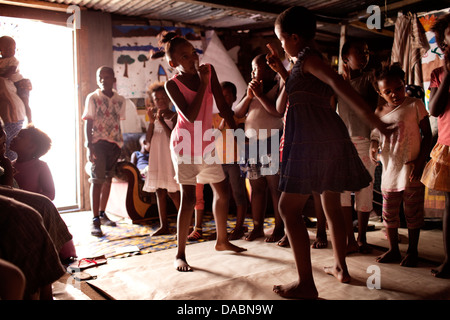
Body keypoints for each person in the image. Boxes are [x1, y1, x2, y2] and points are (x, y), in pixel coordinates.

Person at [267, 6, 393, 299]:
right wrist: (281, 71)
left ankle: (306, 284)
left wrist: (376, 122)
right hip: (323, 140)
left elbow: (339, 83)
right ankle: (340, 267)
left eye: (282, 39)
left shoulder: (310, 59)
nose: (282, 45)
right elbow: (289, 101)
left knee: (288, 209)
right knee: (331, 206)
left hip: (314, 142)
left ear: (294, 37)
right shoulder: (301, 64)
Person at [161, 31, 246, 272]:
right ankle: (180, 254)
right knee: (188, 199)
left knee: (222, 190)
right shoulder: (172, 84)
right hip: (185, 145)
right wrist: (203, 82)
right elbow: (190, 114)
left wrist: (235, 128)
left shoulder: (208, 71)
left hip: (206, 144)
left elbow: (221, 103)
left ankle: (222, 240)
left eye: (193, 54)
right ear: (173, 63)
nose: (192, 59)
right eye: (184, 57)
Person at [370, 63, 432, 267]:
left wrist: (420, 161)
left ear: (404, 84)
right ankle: (393, 249)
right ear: (379, 92)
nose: (395, 94)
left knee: (413, 213)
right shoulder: (379, 111)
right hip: (389, 170)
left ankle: (412, 251)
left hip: (411, 169)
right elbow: (375, 136)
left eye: (399, 88)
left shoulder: (414, 104)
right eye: (387, 91)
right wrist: (373, 145)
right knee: (389, 213)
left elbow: (428, 135)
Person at [234, 54, 284, 243]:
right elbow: (238, 113)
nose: (253, 72)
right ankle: (257, 227)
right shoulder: (252, 90)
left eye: (257, 68)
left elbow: (277, 111)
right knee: (256, 187)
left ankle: (279, 227)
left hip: (271, 140)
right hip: (252, 144)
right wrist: (248, 97)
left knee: (274, 187)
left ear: (271, 69)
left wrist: (260, 95)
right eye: (252, 69)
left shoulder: (277, 86)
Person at [337, 39, 380, 254]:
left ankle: (362, 237)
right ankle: (349, 238)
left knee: (365, 190)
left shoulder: (370, 80)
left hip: (364, 141)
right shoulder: (336, 83)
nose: (364, 56)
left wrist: (375, 139)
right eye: (359, 53)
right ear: (345, 57)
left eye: (365, 52)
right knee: (343, 193)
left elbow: (376, 110)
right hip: (343, 143)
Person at [421, 13, 450, 278]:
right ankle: (449, 260)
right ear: (444, 45)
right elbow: (434, 110)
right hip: (448, 146)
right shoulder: (439, 74)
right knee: (449, 206)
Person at [82, 66, 126, 237]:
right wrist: (89, 146)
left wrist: (119, 145)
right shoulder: (92, 98)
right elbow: (89, 121)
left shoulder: (120, 100)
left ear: (113, 79)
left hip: (114, 144)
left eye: (107, 77)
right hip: (98, 143)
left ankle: (102, 213)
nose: (103, 80)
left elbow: (117, 121)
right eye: (100, 77)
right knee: (97, 180)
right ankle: (94, 219)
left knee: (108, 179)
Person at [143, 81, 180, 236]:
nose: (161, 101)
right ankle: (164, 225)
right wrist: (152, 122)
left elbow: (174, 136)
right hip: (157, 156)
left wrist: (163, 123)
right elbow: (148, 141)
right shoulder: (153, 118)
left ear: (169, 98)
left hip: (169, 156)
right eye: (157, 99)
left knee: (173, 192)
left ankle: (185, 224)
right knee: (159, 191)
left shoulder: (174, 115)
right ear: (153, 102)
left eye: (164, 97)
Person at [213, 81, 248, 240]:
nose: (224, 99)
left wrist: (231, 121)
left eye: (227, 95)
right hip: (219, 162)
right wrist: (220, 126)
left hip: (235, 161)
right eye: (221, 96)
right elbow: (209, 139)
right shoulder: (213, 118)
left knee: (239, 193)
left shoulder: (239, 117)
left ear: (234, 98)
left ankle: (239, 226)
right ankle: (222, 229)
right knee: (221, 196)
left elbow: (243, 139)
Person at [0, 36, 32, 161]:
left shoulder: (12, 61)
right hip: (10, 114)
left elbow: (10, 73)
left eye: (12, 48)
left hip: (18, 83)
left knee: (10, 145)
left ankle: (31, 121)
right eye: (7, 48)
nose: (11, 51)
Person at [9, 124, 55, 200]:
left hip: (32, 209)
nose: (14, 138)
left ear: (31, 147)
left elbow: (50, 193)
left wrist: (29, 201)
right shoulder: (9, 165)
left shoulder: (41, 167)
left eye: (20, 137)